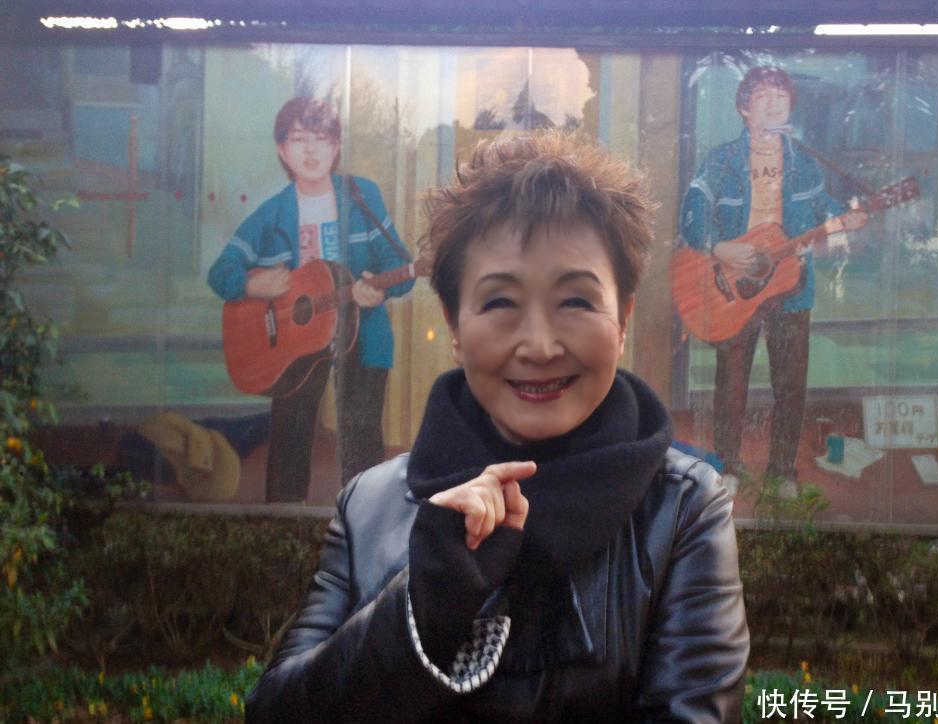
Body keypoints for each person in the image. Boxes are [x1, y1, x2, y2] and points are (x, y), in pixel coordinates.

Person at [245, 132, 749, 722]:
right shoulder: (370, 506)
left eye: (577, 301)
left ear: (623, 319)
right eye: (500, 303)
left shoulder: (682, 507)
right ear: (453, 324)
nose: (539, 346)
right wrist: (423, 605)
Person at [207, 97, 417, 502]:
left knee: (361, 435)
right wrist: (253, 285)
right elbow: (221, 272)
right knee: (290, 433)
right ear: (281, 149)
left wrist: (380, 289)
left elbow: (399, 264)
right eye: (298, 138)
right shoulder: (272, 213)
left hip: (361, 336)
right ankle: (283, 519)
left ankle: (364, 518)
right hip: (293, 345)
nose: (310, 150)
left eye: (321, 138)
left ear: (336, 146)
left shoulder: (361, 196)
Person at [678, 66, 867, 492]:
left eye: (780, 97)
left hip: (790, 286)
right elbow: (693, 208)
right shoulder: (722, 160)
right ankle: (728, 466)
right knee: (731, 384)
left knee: (791, 384)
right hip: (734, 287)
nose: (773, 105)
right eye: (762, 96)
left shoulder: (804, 163)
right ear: (744, 108)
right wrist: (717, 247)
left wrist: (846, 217)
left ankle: (783, 470)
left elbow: (820, 207)